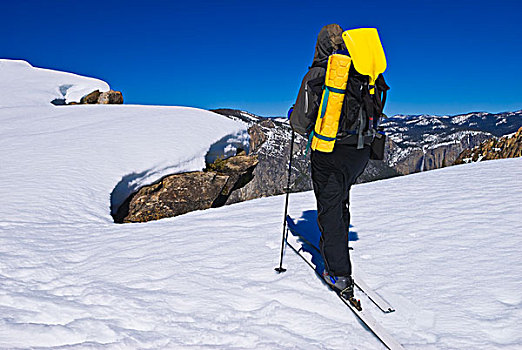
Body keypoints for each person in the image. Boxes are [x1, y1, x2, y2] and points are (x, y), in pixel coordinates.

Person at [289, 24, 372, 298]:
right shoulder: (361, 72)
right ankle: (336, 248)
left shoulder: (319, 74)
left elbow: (300, 123)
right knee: (339, 201)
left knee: (329, 210)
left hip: (330, 153)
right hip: (359, 150)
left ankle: (338, 273)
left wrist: (293, 113)